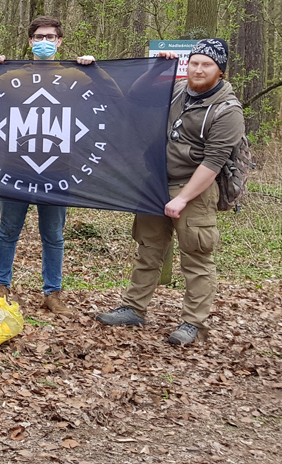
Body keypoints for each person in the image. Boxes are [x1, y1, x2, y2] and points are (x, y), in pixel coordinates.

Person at [97, 39, 244, 345]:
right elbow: (138, 95)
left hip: (194, 188)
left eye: (207, 65)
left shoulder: (227, 110)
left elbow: (213, 163)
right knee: (148, 249)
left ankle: (194, 323)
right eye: (194, 63)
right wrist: (156, 70)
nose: (199, 69)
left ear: (221, 71)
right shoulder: (177, 89)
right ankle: (133, 308)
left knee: (197, 257)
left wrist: (182, 198)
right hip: (155, 184)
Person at [0, 16, 97, 314]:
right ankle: (1, 286)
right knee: (7, 231)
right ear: (30, 41)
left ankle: (53, 293)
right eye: (39, 37)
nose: (44, 42)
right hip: (15, 169)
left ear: (60, 41)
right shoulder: (11, 76)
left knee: (54, 235)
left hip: (57, 171)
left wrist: (96, 70)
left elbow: (114, 97)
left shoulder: (75, 77)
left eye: (50, 37)